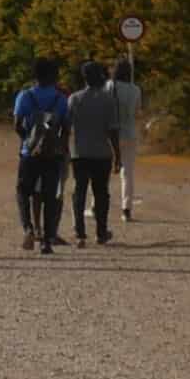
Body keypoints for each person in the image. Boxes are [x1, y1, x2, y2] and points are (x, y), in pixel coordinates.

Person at [12, 58, 69, 256]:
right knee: (50, 197)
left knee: (23, 191)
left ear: (34, 75)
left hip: (30, 153)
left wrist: (28, 140)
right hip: (53, 154)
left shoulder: (25, 96)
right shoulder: (61, 99)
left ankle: (28, 228)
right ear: (54, 75)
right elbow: (66, 128)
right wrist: (61, 148)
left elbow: (17, 124)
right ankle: (47, 241)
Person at [65, 60, 120, 248]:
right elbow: (113, 130)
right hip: (102, 153)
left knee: (79, 191)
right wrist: (118, 155)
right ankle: (101, 232)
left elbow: (66, 127)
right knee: (101, 193)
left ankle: (79, 233)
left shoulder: (74, 98)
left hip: (79, 152)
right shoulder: (108, 99)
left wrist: (65, 149)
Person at [108, 58, 142, 223]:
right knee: (127, 174)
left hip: (110, 134)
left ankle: (95, 205)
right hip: (130, 133)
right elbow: (137, 111)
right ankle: (126, 209)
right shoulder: (135, 89)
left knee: (103, 170)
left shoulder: (109, 86)